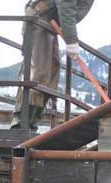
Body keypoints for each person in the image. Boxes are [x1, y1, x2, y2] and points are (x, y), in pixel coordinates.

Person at [11, 0, 95, 130]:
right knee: (37, 74)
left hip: (48, 25)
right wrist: (71, 40)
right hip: (39, 21)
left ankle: (31, 123)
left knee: (49, 76)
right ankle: (20, 124)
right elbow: (66, 8)